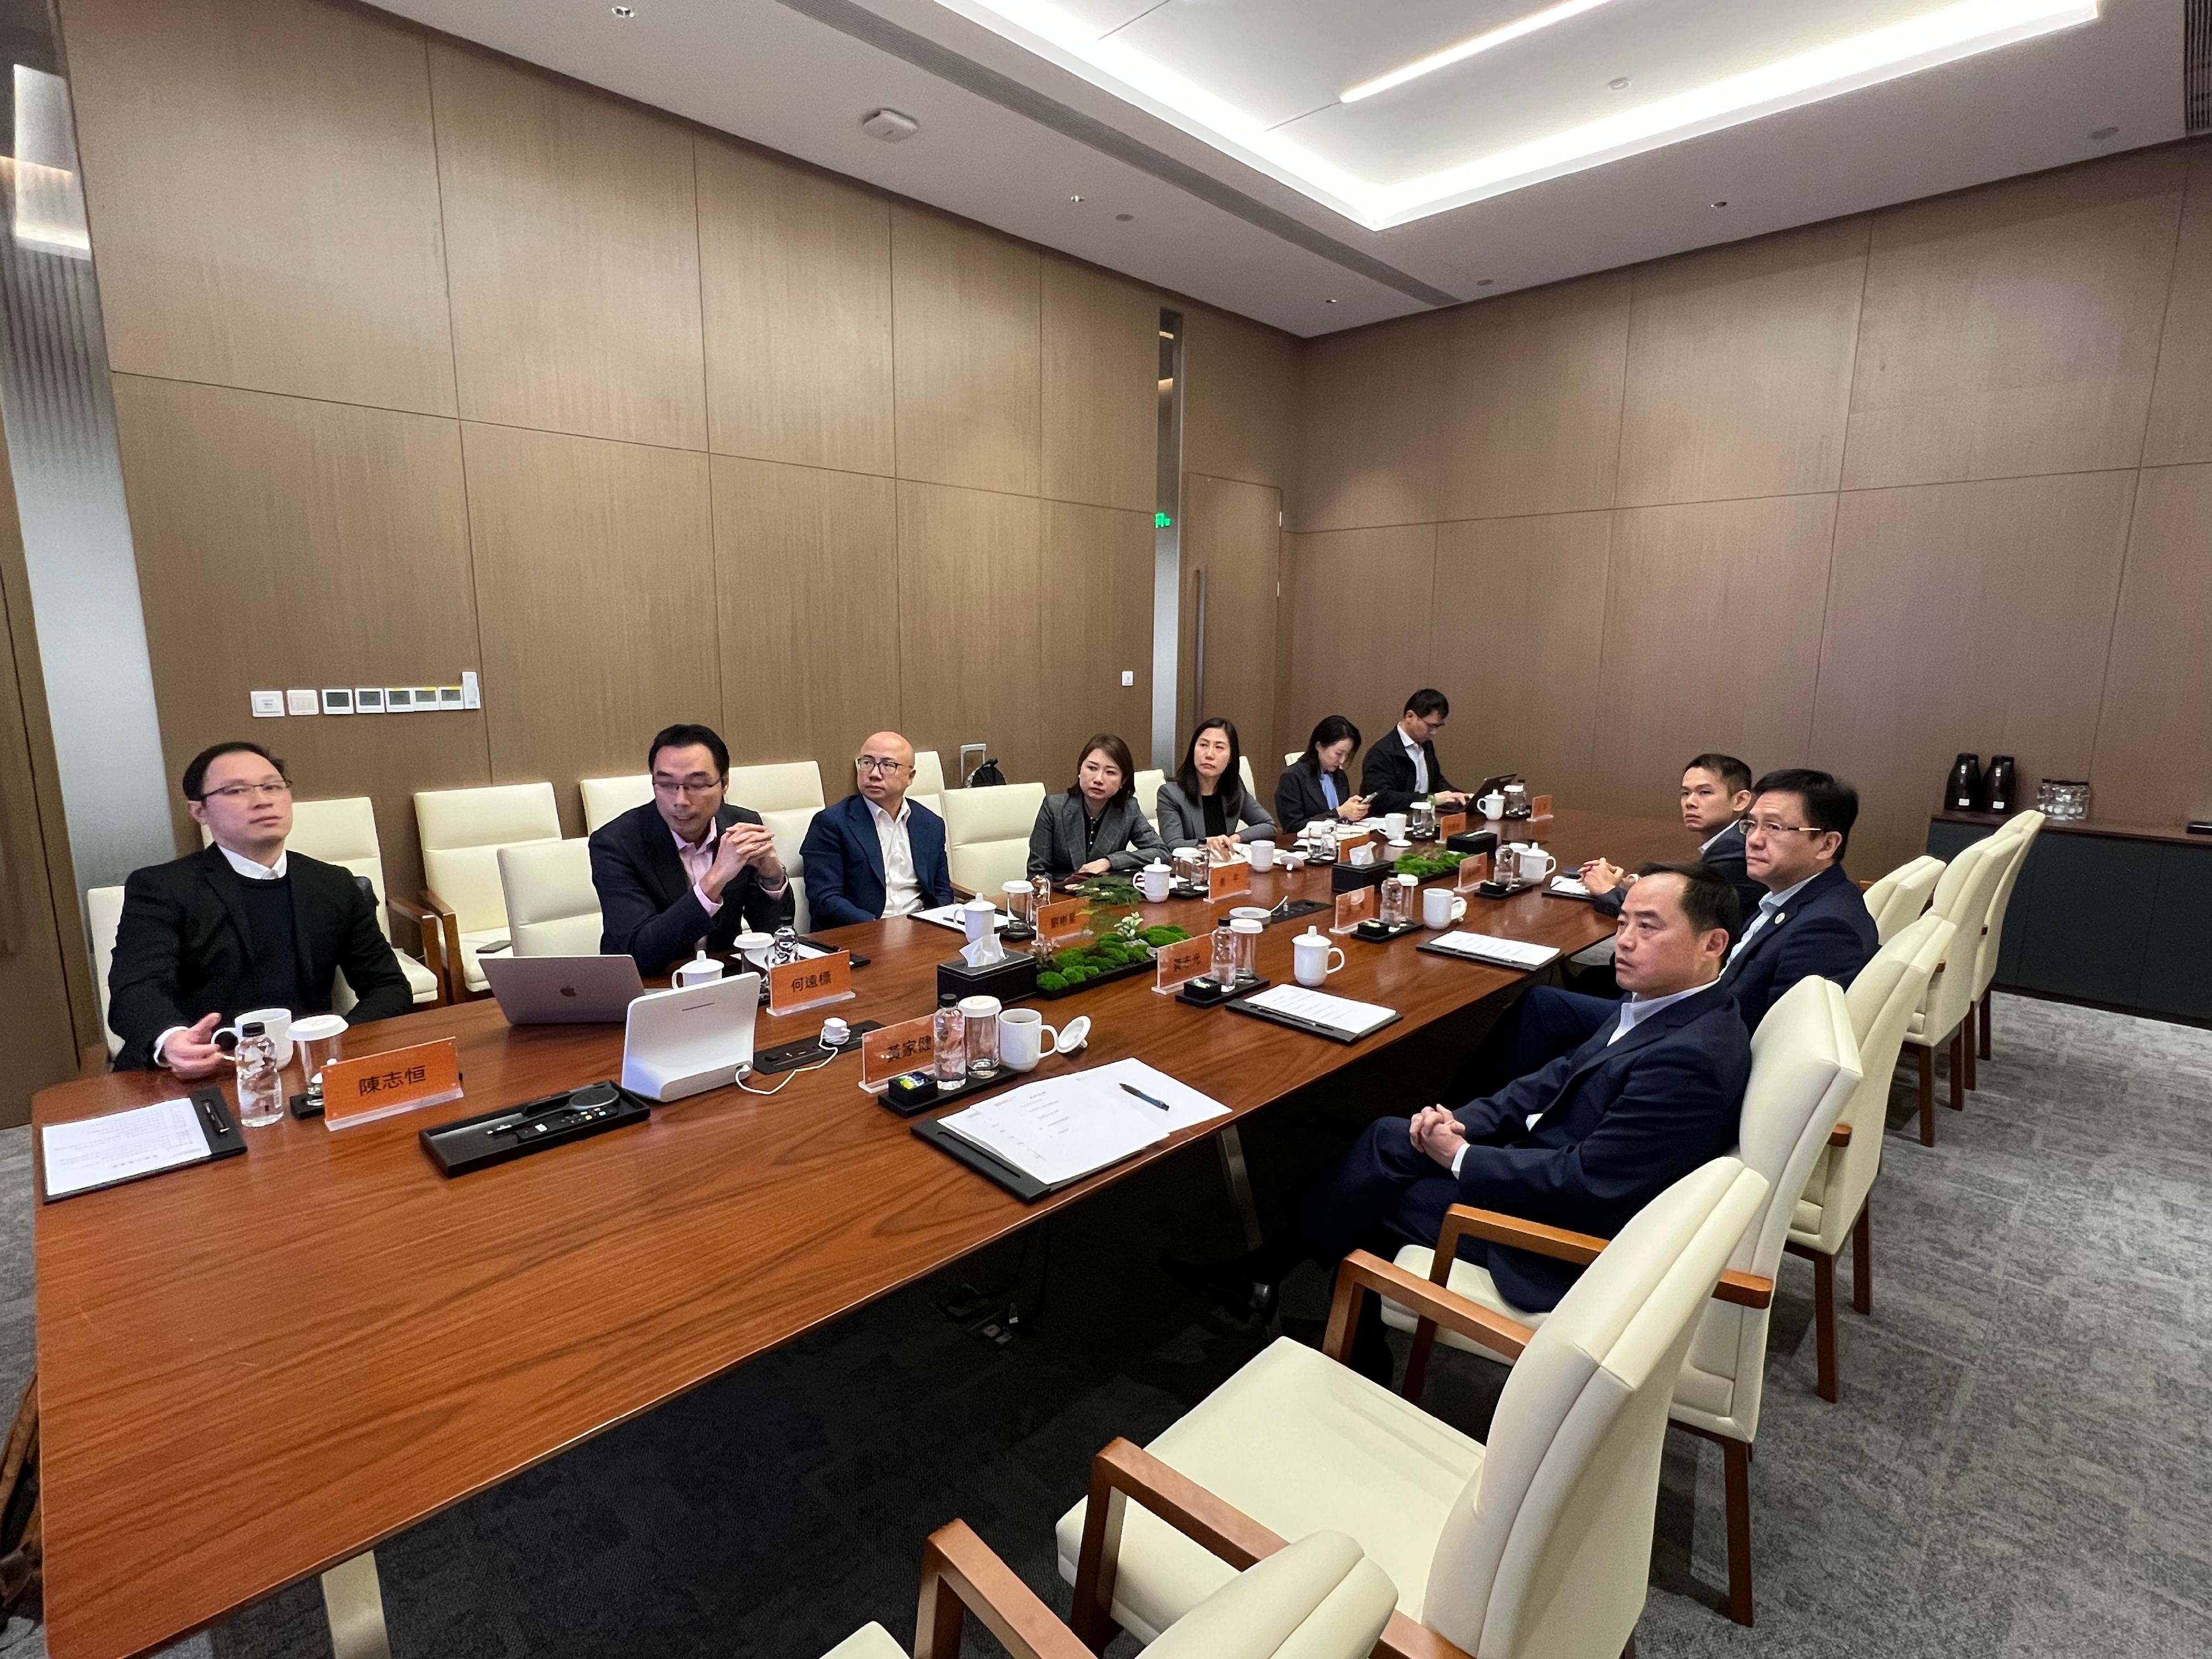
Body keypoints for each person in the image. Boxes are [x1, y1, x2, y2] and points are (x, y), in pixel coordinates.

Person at [1172, 864, 1749, 1382]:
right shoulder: (1666, 1005)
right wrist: (1460, 1122)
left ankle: (1313, 1318)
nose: (1624, 942)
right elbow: (1554, 1077)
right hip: (1551, 1173)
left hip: (1562, 1241)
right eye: (1622, 921)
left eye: (1648, 928)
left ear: (1712, 943)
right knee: (1387, 1141)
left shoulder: (1689, 1058)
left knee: (1378, 1189)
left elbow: (1589, 1186)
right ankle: (1296, 1300)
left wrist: (1461, 1158)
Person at [1483, 768, 1878, 1086]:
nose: (1754, 841)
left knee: (1543, 1004)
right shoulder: (1795, 897)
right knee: (1566, 995)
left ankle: (1478, 1120)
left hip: (1694, 1045)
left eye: (1774, 828)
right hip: (1695, 1014)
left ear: (1827, 845)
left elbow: (1774, 1042)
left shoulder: (1827, 928)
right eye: (1751, 826)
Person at [107, 741, 412, 1076]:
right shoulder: (162, 887)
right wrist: (171, 1040)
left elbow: (388, 986)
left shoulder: (332, 884)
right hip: (204, 1070)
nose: (263, 800)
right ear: (200, 811)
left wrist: (336, 1043)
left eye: (272, 787)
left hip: (306, 1068)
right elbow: (135, 989)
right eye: (236, 791)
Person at [591, 723, 794, 977]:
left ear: (725, 783)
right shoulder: (616, 844)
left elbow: (773, 933)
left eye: (697, 785)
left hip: (723, 981)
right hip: (647, 988)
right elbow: (639, 954)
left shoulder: (740, 826)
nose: (680, 801)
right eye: (665, 784)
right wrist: (715, 878)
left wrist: (772, 878)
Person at [1582, 753, 1763, 922]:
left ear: (1740, 801)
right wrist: (1631, 884)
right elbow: (1689, 886)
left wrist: (1606, 890)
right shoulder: (1732, 839)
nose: (1690, 802)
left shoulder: (1736, 848)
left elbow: (1677, 916)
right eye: (1685, 793)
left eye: (1704, 792)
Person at [799, 731, 954, 927]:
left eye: (888, 765)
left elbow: (942, 890)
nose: (874, 774)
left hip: (921, 929)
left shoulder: (930, 824)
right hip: (862, 933)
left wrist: (933, 926)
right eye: (867, 763)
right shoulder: (832, 823)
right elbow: (825, 899)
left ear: (910, 776)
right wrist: (880, 928)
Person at [1027, 733, 1165, 885]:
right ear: (1080, 770)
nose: (1099, 779)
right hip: (1060, 896)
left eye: (1110, 772)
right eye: (1092, 768)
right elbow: (1037, 872)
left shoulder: (1128, 810)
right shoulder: (1054, 808)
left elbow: (1161, 852)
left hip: (1106, 897)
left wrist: (1109, 862)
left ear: (1123, 780)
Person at [1154, 717, 1278, 857]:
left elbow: (1269, 826)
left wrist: (1235, 838)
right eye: (1203, 745)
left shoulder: (1234, 787)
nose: (1209, 755)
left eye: (1219, 747)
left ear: (1231, 757)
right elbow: (1172, 844)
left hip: (1224, 868)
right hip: (1190, 873)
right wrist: (1206, 843)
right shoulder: (1171, 794)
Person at [1358, 689, 1469, 815]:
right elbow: (1381, 799)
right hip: (1390, 825)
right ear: (1410, 716)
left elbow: (1436, 781)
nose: (1434, 732)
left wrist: (1456, 794)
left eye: (1438, 726)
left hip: (1423, 821)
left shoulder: (1426, 746)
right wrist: (1429, 799)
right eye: (1431, 726)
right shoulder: (1381, 753)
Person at [1275, 715, 1372, 830]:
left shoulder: (1340, 776)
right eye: (1339, 754)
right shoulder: (1292, 777)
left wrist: (1353, 813)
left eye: (1347, 755)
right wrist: (1339, 813)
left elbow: (1342, 820)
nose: (1342, 761)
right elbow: (1293, 827)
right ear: (1319, 746)